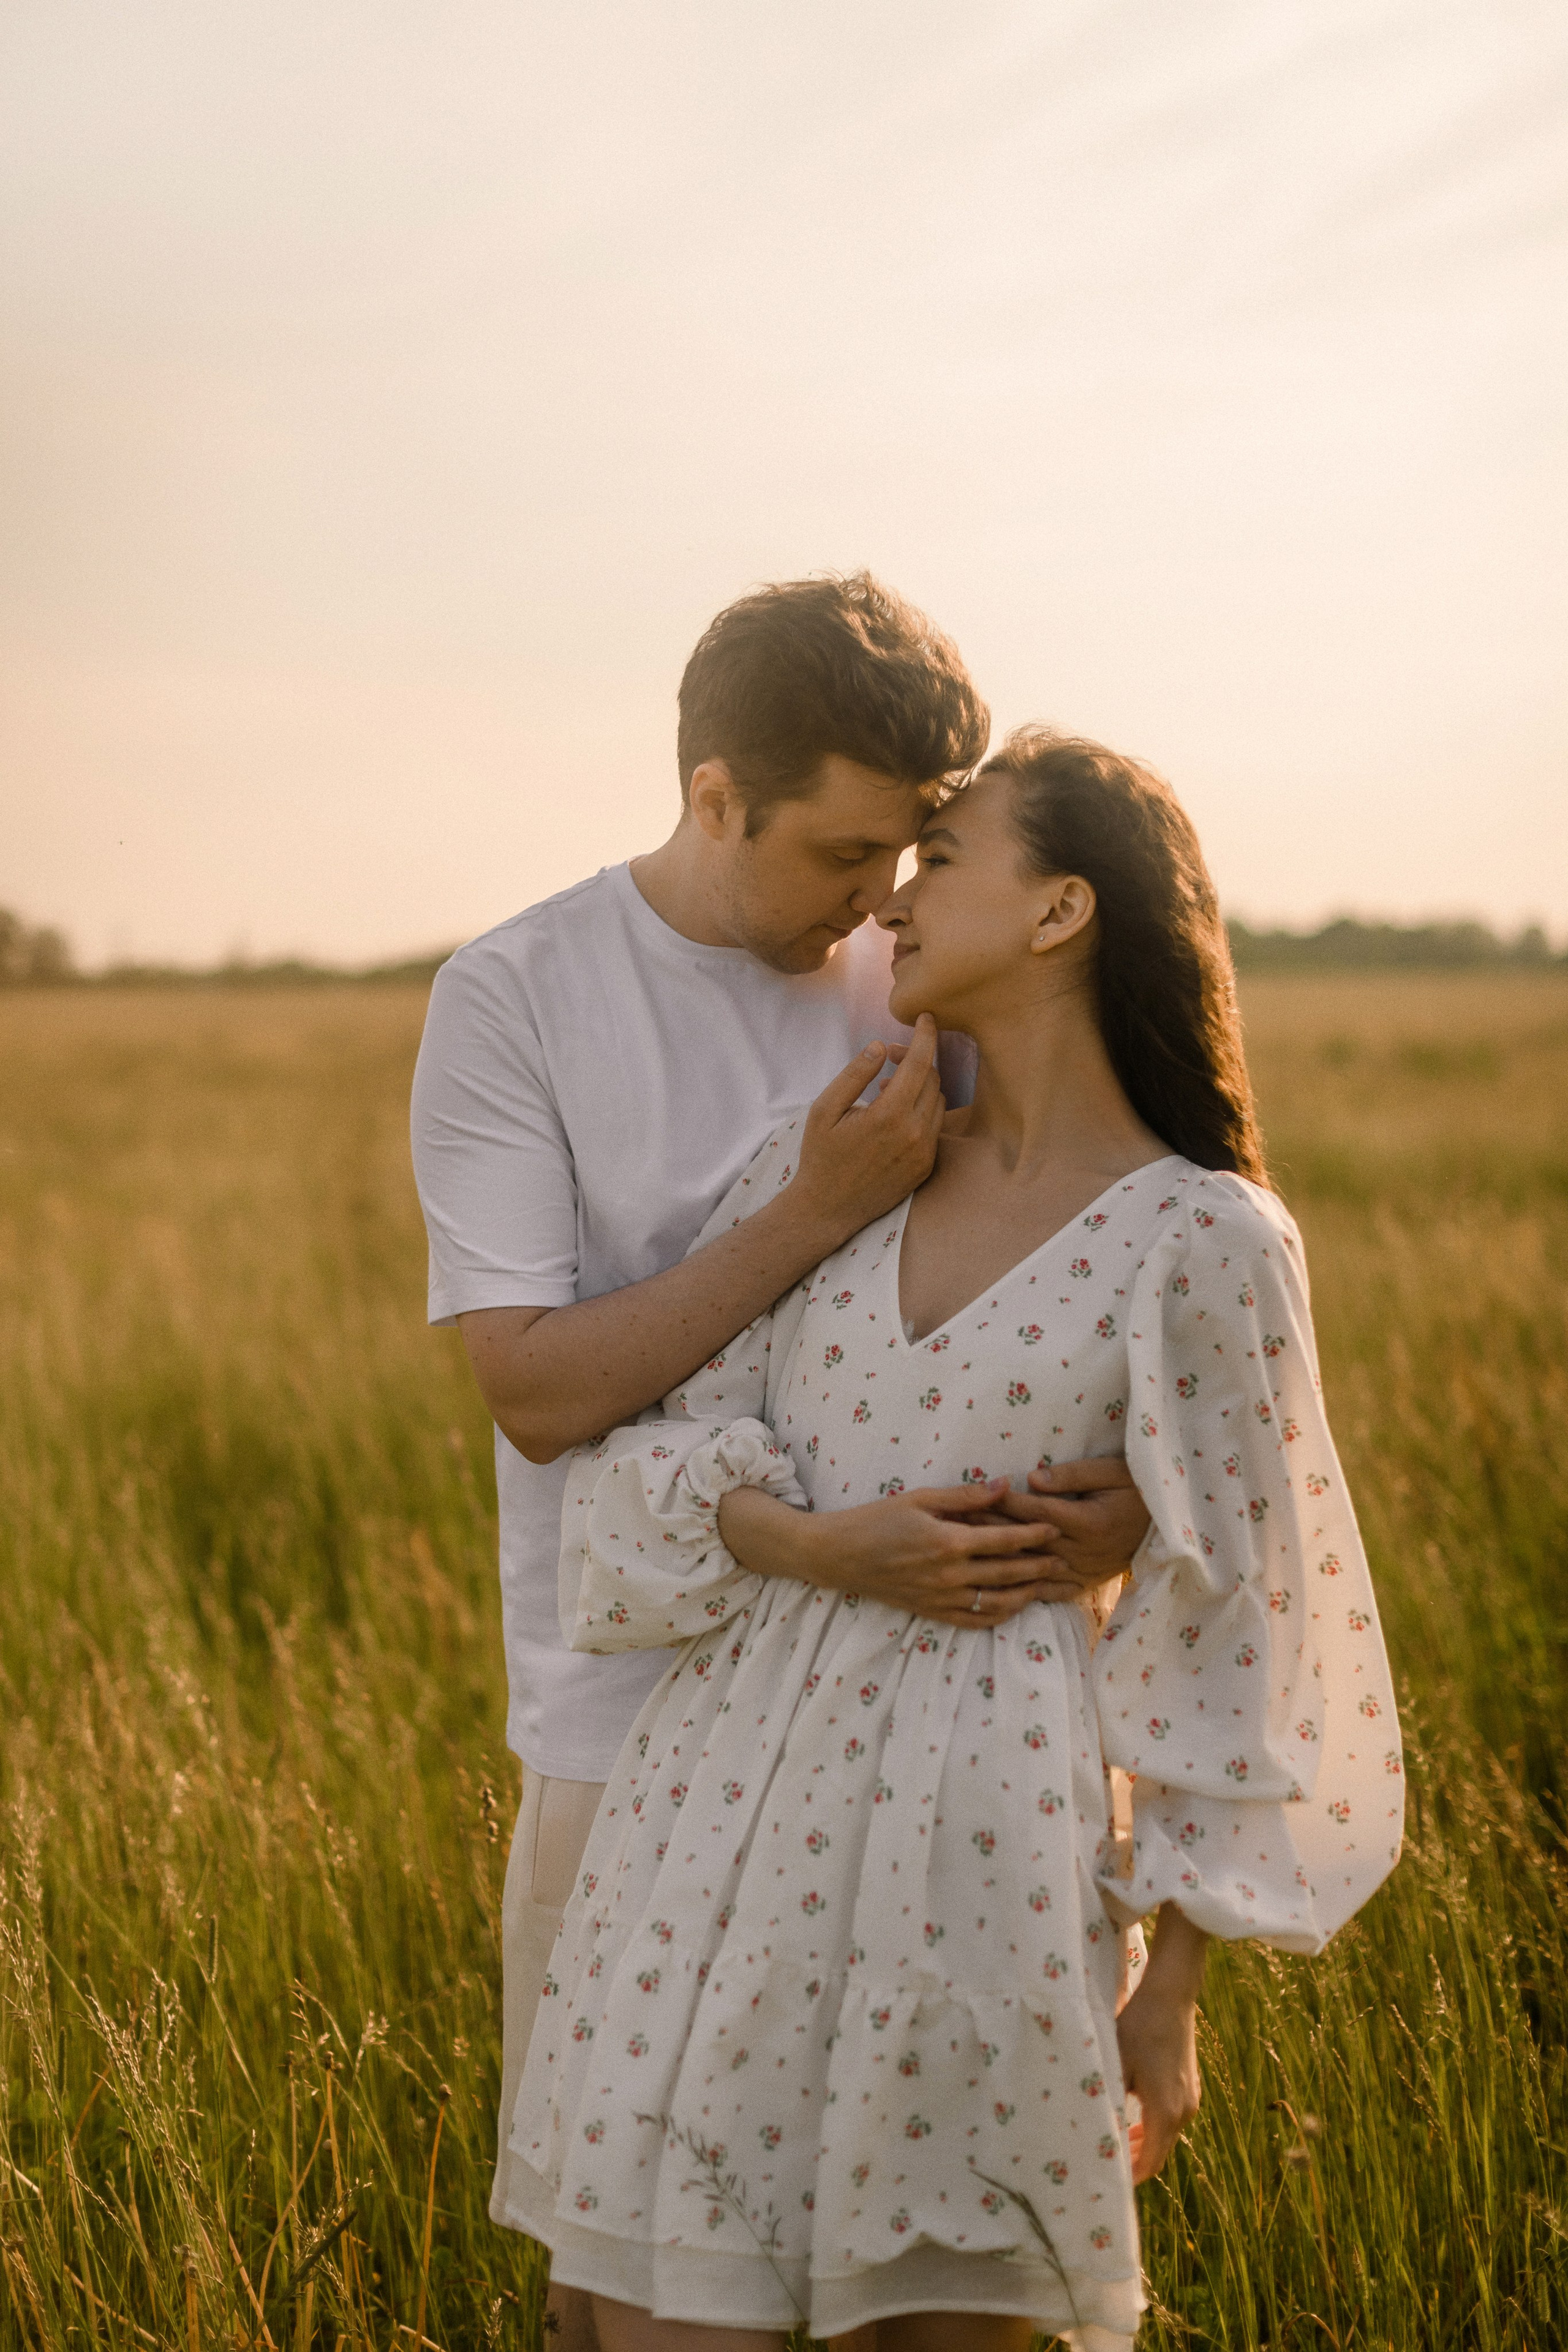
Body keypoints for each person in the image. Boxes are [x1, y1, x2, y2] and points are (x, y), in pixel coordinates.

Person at [507, 733, 1404, 2352]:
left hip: (984, 1860)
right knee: (659, 2308)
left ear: (1062, 911)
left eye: (943, 859)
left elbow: (1248, 1628)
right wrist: (811, 1544)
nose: (893, 905)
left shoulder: (1202, 1235)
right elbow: (635, 1462)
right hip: (715, 1836)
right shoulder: (843, 1154)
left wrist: (1170, 2004)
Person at [409, 581, 1153, 2350]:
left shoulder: (928, 976)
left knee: (905, 2288)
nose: (876, 902)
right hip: (624, 1724)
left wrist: (1132, 1496)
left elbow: (1098, 1274)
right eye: (841, 852)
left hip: (924, 1747)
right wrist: (816, 1211)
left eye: (909, 853)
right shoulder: (515, 998)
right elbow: (530, 1391)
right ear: (717, 792)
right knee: (635, 2290)